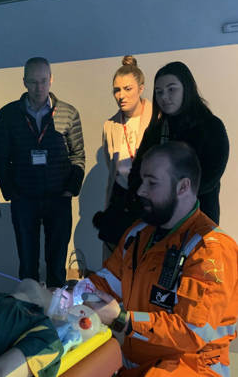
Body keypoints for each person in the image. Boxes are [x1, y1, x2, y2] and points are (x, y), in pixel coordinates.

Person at [87, 141, 238, 376]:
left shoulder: (212, 250)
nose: (140, 191)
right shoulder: (138, 234)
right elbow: (106, 283)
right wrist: (68, 295)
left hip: (192, 368)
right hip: (138, 362)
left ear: (183, 187)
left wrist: (123, 319)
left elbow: (191, 332)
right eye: (142, 180)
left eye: (152, 183)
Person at [0, 57, 85, 287]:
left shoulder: (68, 113)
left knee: (56, 264)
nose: (39, 88)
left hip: (58, 199)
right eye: (33, 82)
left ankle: (55, 313)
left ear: (51, 79)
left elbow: (78, 155)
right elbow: (0, 158)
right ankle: (29, 311)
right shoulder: (7, 115)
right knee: (27, 264)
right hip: (24, 199)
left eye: (43, 81)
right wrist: (11, 192)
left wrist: (70, 190)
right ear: (24, 82)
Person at [128, 61, 229, 224]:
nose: (164, 97)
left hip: (199, 216)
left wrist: (169, 196)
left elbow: (210, 177)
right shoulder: (156, 130)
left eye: (171, 89)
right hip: (159, 218)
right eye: (159, 92)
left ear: (186, 88)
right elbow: (138, 172)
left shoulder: (210, 126)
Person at [93, 55, 152, 255]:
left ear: (141, 89)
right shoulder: (110, 125)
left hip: (149, 197)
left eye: (128, 89)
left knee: (147, 256)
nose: (121, 95)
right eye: (116, 90)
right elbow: (112, 167)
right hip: (121, 198)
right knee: (116, 258)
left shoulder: (157, 118)